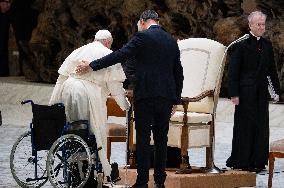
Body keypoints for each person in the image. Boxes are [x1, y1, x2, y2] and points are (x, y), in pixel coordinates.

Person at [75, 10, 184, 188]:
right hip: (165, 97)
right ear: (157, 21)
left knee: (142, 139)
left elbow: (119, 55)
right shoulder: (171, 40)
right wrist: (175, 100)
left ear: (142, 22)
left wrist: (92, 65)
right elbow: (178, 72)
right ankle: (160, 182)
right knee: (161, 140)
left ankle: (142, 183)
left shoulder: (142, 38)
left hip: (145, 95)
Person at [49, 29, 130, 183]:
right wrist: (125, 105)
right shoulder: (108, 53)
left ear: (95, 39)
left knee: (73, 130)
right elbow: (115, 86)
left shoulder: (79, 51)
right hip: (87, 95)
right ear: (108, 42)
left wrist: (53, 103)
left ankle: (74, 170)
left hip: (68, 89)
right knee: (92, 132)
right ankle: (90, 173)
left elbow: (62, 76)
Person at [226, 11, 281, 173]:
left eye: (263, 24)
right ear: (250, 25)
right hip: (244, 93)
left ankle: (258, 161)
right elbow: (233, 72)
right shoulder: (240, 45)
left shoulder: (267, 45)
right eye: (258, 24)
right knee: (245, 127)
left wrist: (275, 91)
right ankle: (241, 161)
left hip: (261, 93)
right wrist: (234, 94)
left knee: (261, 126)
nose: (261, 27)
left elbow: (271, 70)